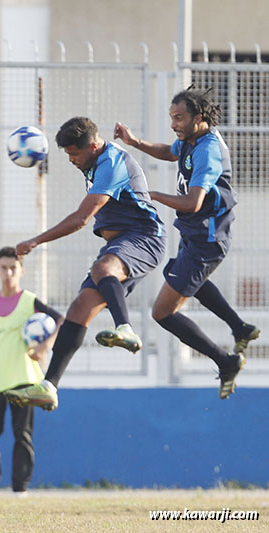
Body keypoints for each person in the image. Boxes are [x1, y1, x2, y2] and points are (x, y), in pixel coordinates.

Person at [5, 117, 166, 411]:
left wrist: (36, 241)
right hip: (121, 243)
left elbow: (81, 219)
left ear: (92, 146)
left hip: (144, 237)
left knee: (103, 268)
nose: (71, 160)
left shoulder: (112, 163)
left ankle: (126, 329)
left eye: (74, 154)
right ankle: (49, 386)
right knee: (79, 308)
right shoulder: (93, 161)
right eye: (67, 154)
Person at [114, 88, 256, 399]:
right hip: (196, 235)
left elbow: (192, 202)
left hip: (207, 240)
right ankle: (240, 327)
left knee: (162, 312)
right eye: (171, 118)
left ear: (198, 118)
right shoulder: (192, 140)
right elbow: (171, 151)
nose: (174, 124)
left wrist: (150, 195)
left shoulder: (208, 151)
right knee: (175, 273)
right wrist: (135, 142)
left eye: (179, 118)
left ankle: (226, 361)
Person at [0, 247, 63, 497]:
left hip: (24, 380)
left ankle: (20, 488)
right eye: (4, 267)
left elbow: (60, 320)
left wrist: (44, 346)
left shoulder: (30, 301)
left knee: (22, 435)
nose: (8, 272)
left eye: (13, 268)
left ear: (21, 270)